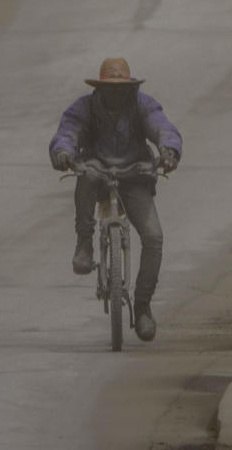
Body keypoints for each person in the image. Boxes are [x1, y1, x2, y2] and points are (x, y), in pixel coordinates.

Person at [49, 58, 182, 342]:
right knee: (85, 177)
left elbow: (162, 127)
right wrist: (63, 151)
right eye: (111, 88)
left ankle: (143, 305)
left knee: (154, 237)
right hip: (97, 169)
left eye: (122, 88)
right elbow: (68, 131)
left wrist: (169, 150)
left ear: (130, 87)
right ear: (100, 88)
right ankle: (84, 242)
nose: (117, 93)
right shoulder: (85, 107)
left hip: (135, 174)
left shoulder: (142, 105)